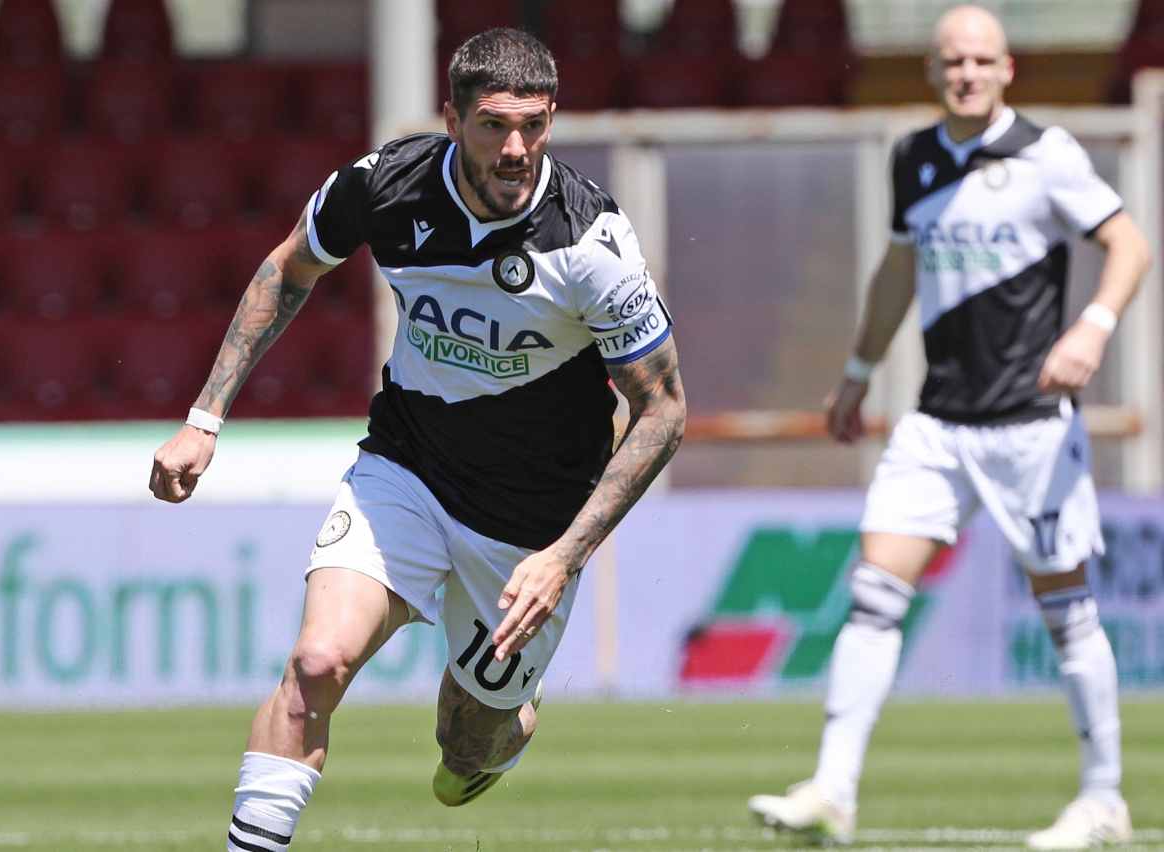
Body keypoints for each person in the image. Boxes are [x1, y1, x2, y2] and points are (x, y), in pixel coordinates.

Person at [148, 28, 686, 852]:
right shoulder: (387, 186)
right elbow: (289, 268)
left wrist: (563, 556)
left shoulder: (589, 244)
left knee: (466, 745)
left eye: (534, 126)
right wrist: (204, 419)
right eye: (494, 126)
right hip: (408, 470)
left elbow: (664, 412)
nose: (516, 149)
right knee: (317, 663)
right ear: (453, 120)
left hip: (531, 523)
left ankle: (502, 725)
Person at [748, 5, 1150, 849]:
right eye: (953, 62)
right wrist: (859, 370)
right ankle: (833, 791)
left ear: (1007, 70)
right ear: (932, 72)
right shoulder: (915, 158)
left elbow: (1129, 245)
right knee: (873, 590)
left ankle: (1104, 797)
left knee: (1067, 610)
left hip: (1030, 426)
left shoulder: (1047, 155)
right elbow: (899, 269)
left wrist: (1092, 329)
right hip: (938, 422)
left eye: (981, 61)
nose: (967, 73)